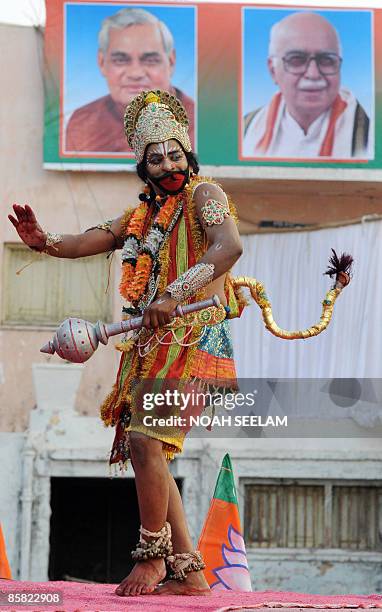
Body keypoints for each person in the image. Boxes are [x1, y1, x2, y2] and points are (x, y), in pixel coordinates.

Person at [9, 89, 246, 596]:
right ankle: (189, 573)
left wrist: (172, 293)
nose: (168, 165)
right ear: (144, 166)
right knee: (152, 449)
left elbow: (230, 246)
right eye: (155, 158)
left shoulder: (207, 196)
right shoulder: (139, 217)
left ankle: (153, 558)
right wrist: (44, 241)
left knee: (144, 441)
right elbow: (84, 243)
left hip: (195, 337)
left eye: (175, 154)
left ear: (188, 153)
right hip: (149, 344)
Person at [243, 11, 370, 159]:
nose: (313, 74)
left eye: (326, 60)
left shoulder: (370, 134)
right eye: (296, 60)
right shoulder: (245, 130)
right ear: (273, 71)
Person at [65, 8, 195, 153]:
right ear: (101, 63)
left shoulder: (202, 126)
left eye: (150, 60)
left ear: (171, 62)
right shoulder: (82, 124)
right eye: (121, 60)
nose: (135, 73)